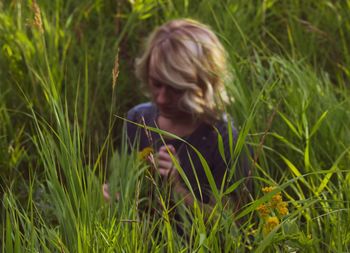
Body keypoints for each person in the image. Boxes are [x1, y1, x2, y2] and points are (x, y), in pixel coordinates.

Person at [104, 18, 251, 209]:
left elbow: (231, 222)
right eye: (157, 84)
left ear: (203, 84)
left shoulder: (224, 139)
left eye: (175, 89)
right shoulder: (137, 119)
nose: (162, 98)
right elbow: (125, 188)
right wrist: (111, 197)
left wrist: (177, 188)